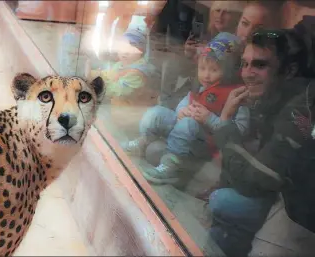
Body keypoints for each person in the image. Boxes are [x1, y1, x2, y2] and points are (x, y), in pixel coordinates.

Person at [206, 26, 314, 257]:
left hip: (299, 214)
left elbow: (255, 181)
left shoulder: (300, 106)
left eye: (260, 65)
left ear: (290, 71)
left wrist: (224, 122)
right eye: (244, 64)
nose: (247, 73)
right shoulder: (273, 96)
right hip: (282, 196)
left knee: (222, 202)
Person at [122, 32, 249, 186]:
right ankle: (143, 141)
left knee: (188, 124)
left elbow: (239, 132)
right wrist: (181, 111)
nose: (206, 75)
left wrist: (210, 119)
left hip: (205, 144)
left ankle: (170, 165)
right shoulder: (200, 86)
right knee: (157, 112)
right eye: (202, 68)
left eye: (214, 70)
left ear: (228, 71)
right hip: (183, 131)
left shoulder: (236, 95)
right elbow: (184, 102)